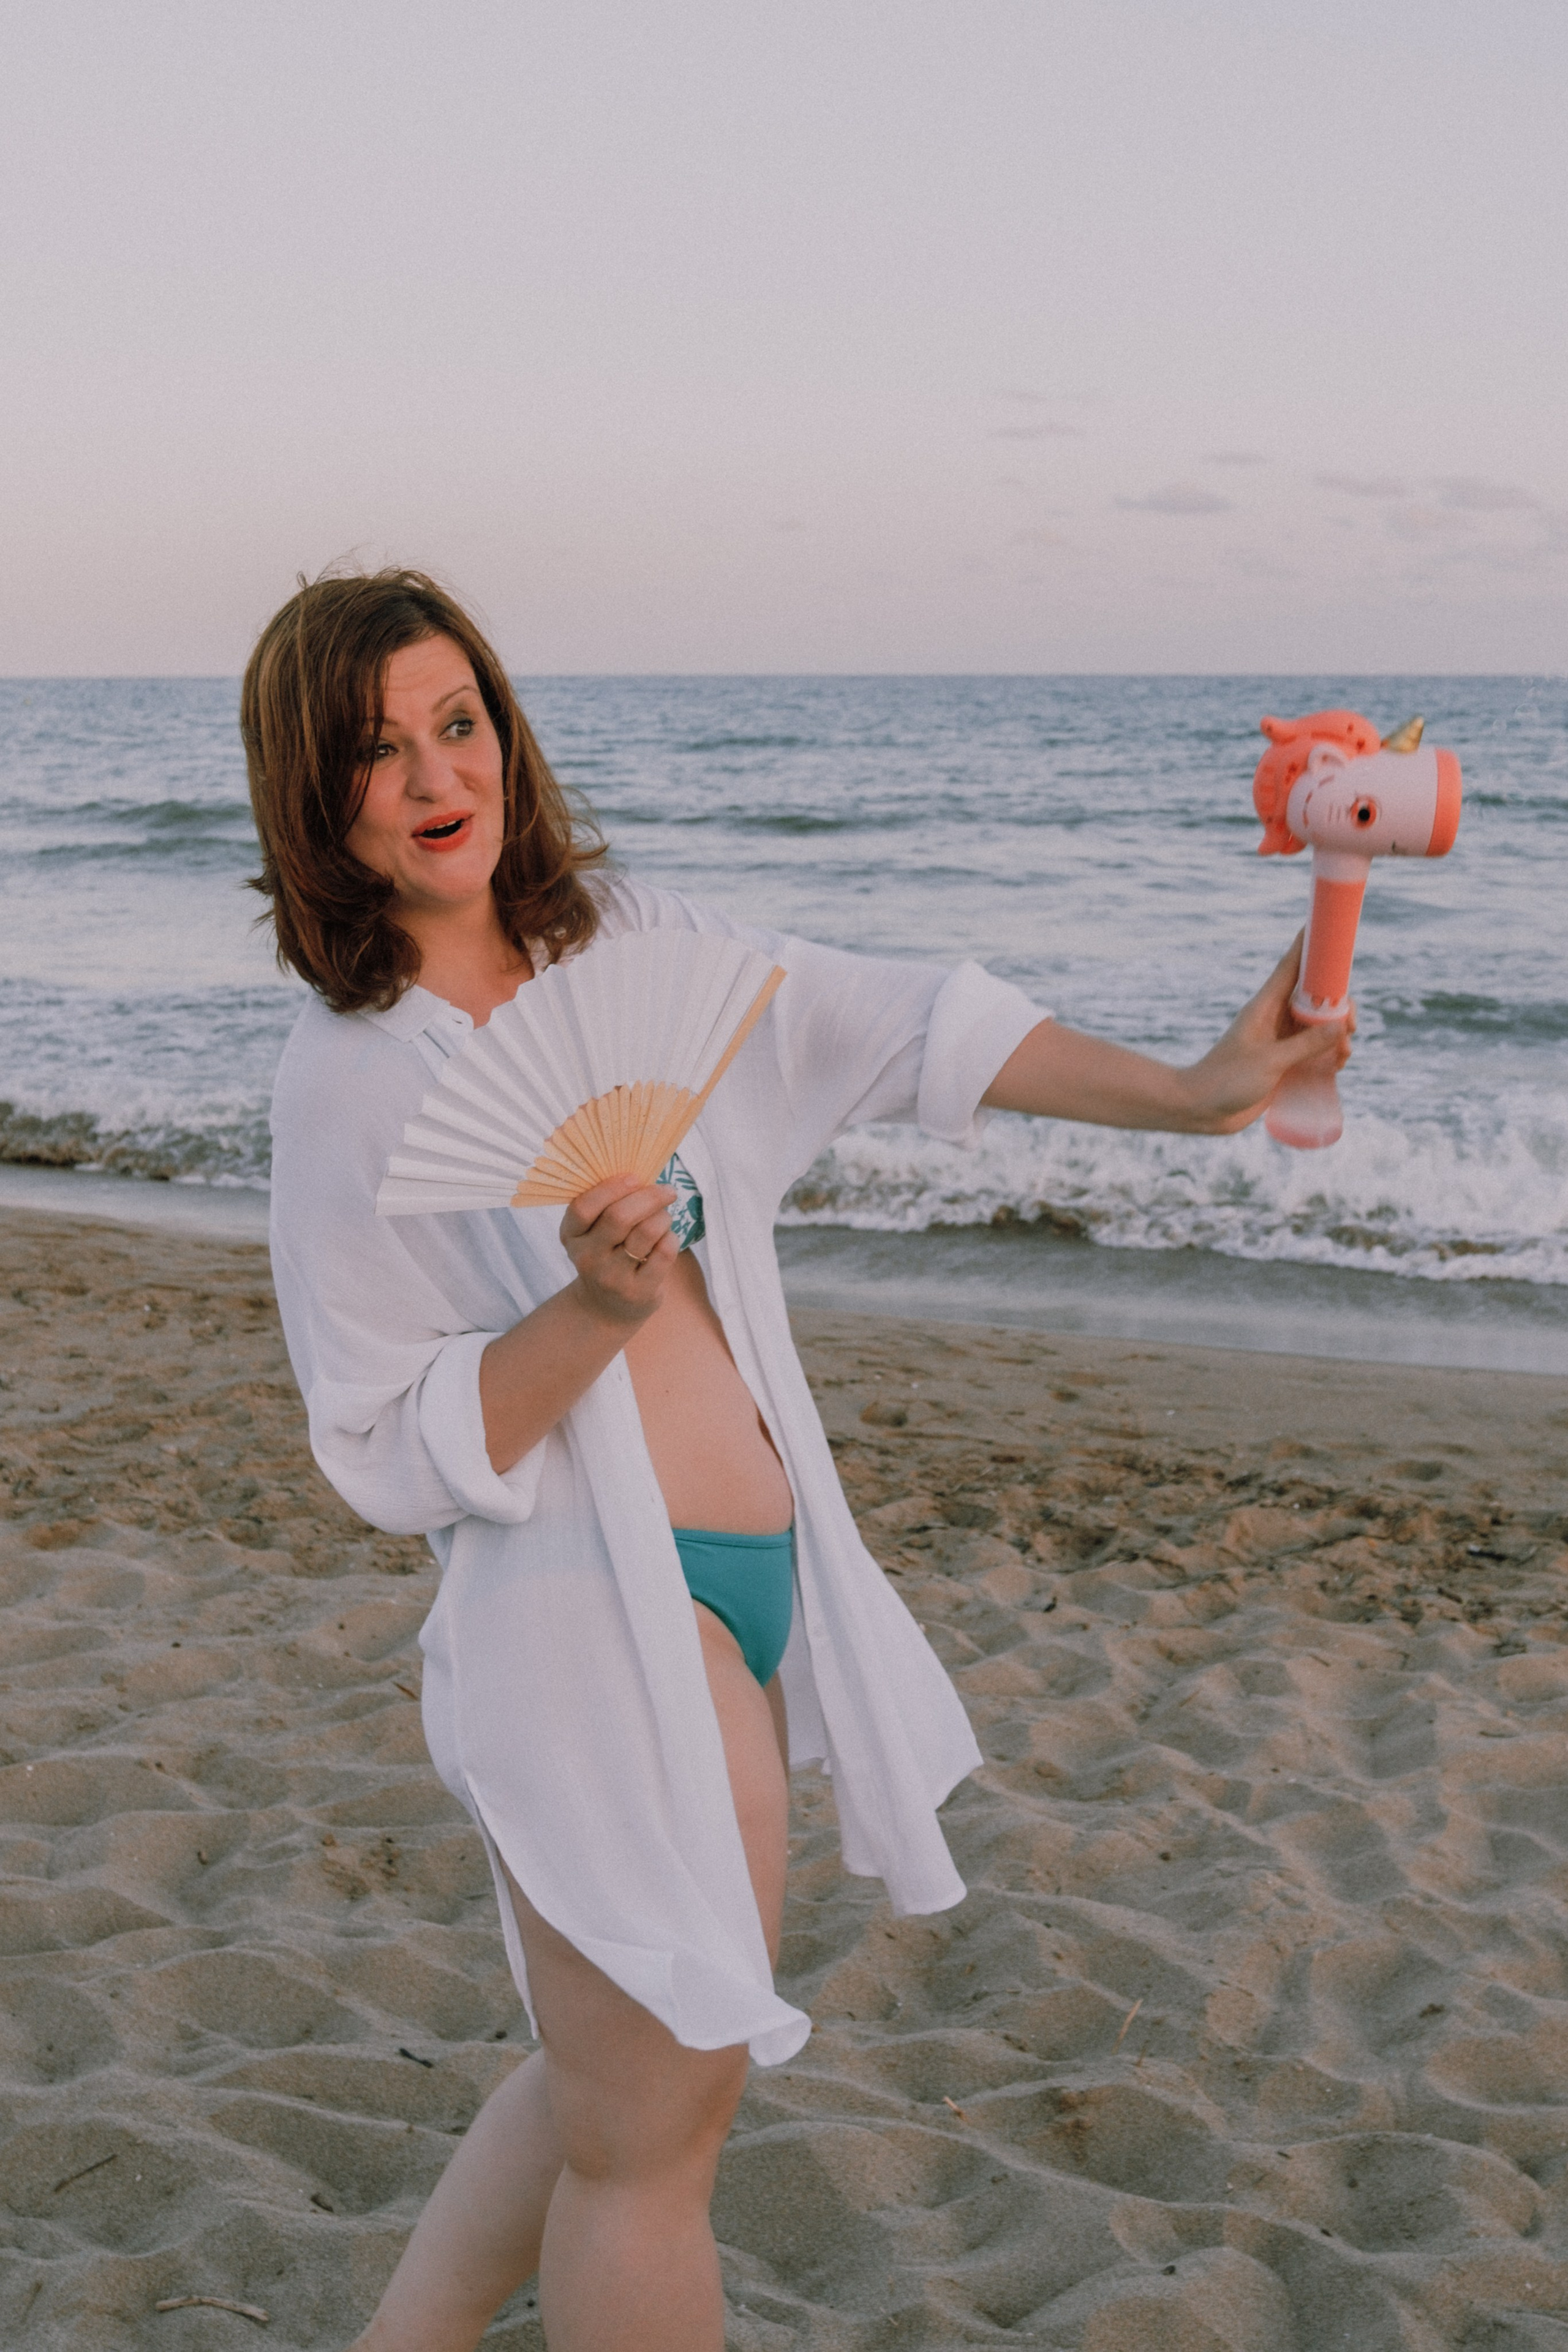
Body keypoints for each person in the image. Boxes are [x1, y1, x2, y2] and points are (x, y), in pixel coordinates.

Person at [244, 569, 1350, 2352]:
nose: (436, 772)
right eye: (377, 751)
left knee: (617, 2087)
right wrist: (591, 1314)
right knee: (654, 2144)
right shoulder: (352, 1075)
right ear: (314, 794)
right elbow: (382, 1437)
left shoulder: (629, 948)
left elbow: (897, 1020)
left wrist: (1204, 1091)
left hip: (756, 1587)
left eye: (458, 723)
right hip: (596, 1622)